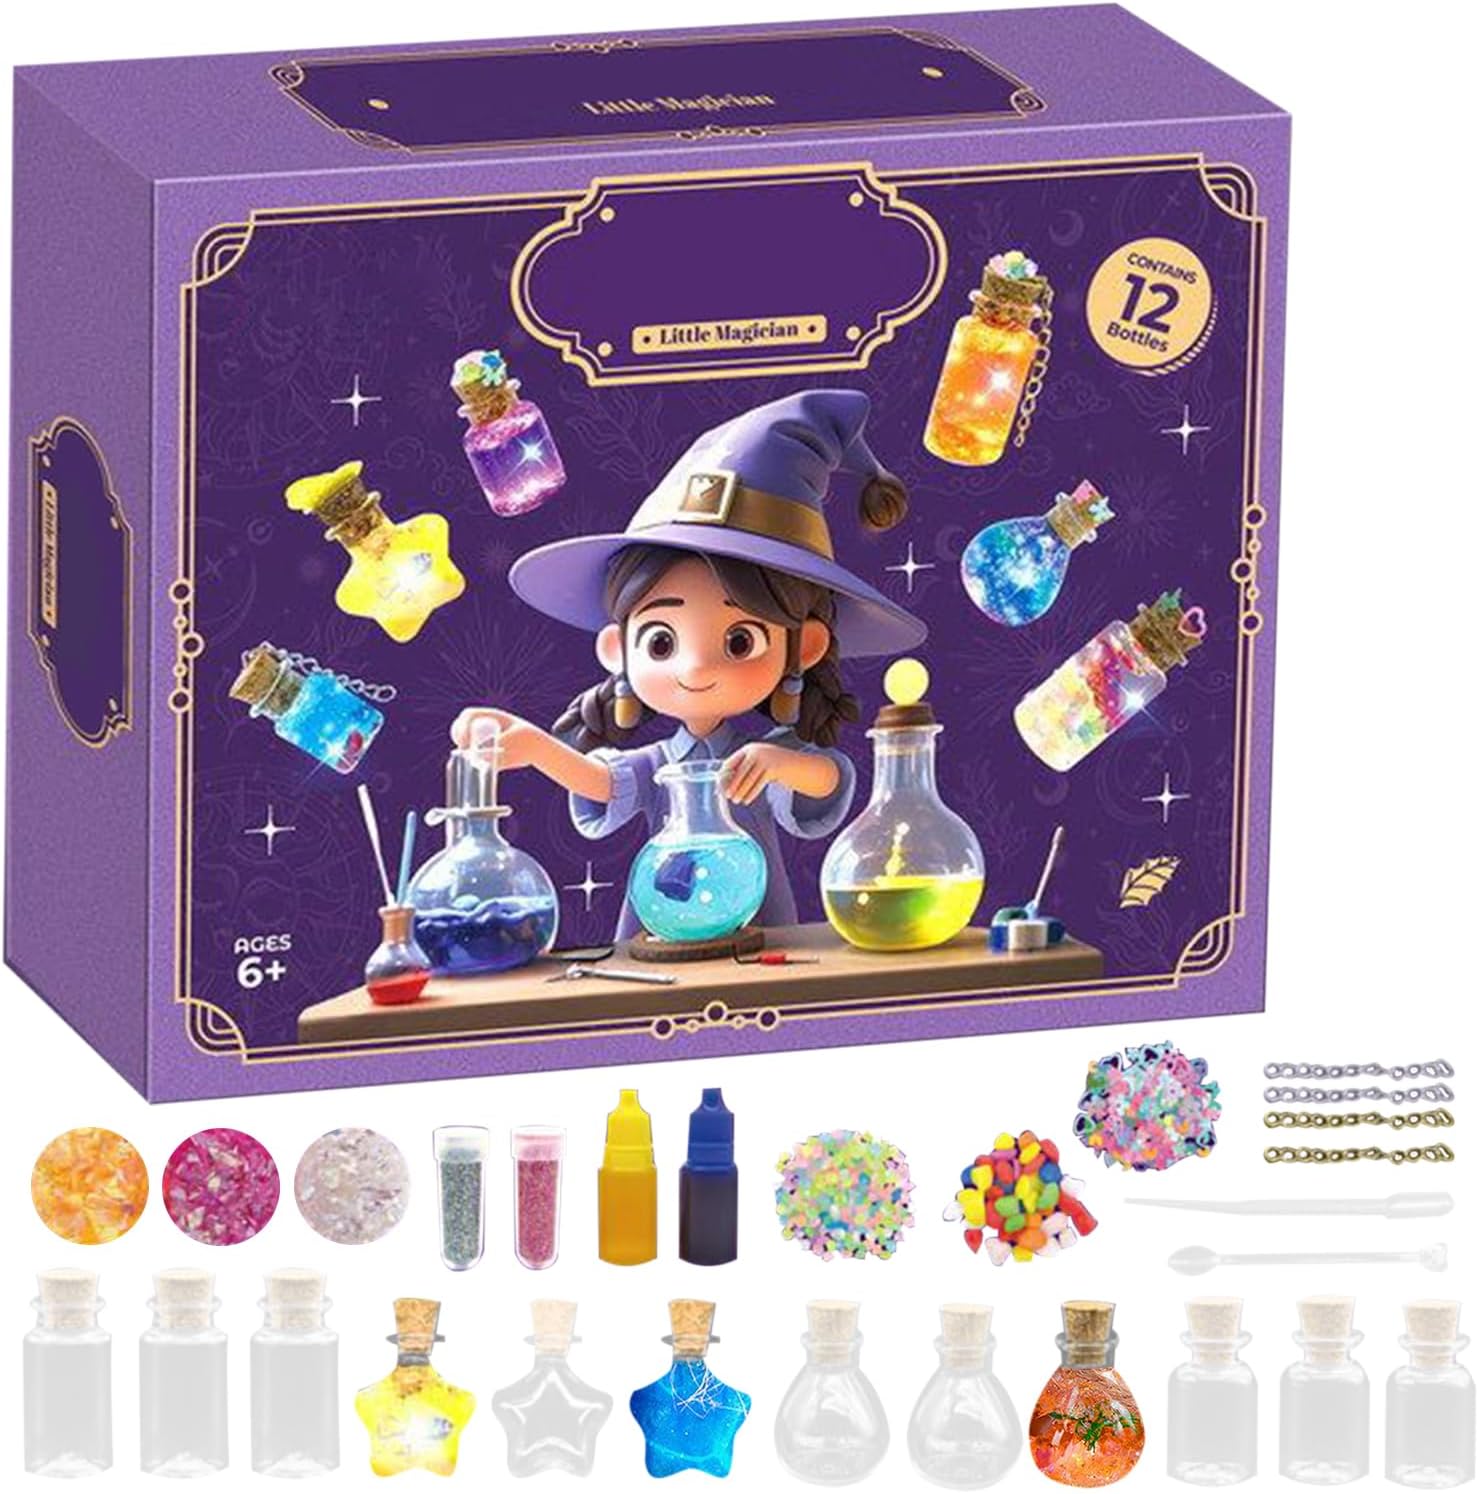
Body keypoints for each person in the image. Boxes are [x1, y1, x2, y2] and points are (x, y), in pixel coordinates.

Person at [452, 389, 928, 938]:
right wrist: (535, 747)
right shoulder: (660, 764)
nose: (696, 668)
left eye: (739, 641)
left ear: (805, 648)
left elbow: (827, 780)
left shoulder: (764, 756)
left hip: (760, 935)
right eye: (661, 643)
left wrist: (780, 763)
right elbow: (601, 782)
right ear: (617, 650)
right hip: (661, 930)